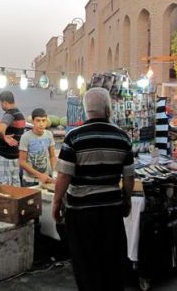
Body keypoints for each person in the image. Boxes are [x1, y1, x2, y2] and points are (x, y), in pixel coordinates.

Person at [52, 87, 134, 291]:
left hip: (81, 214)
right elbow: (129, 177)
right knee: (111, 262)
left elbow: (64, 175)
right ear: (108, 108)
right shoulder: (122, 138)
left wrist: (56, 201)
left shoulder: (74, 138)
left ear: (85, 109)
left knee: (86, 264)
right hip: (111, 211)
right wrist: (127, 199)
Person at [0, 91, 26, 186]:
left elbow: (0, 130)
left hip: (5, 159)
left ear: (5, 103)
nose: (0, 105)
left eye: (0, 102)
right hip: (14, 157)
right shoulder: (20, 114)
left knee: (3, 187)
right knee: (14, 187)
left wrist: (4, 137)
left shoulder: (9, 114)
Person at [18, 108, 57, 186]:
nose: (41, 124)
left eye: (43, 120)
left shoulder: (49, 134)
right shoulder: (25, 137)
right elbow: (21, 162)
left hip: (46, 179)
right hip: (30, 181)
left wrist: (54, 171)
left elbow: (52, 156)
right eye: (38, 120)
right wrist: (40, 175)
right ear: (33, 121)